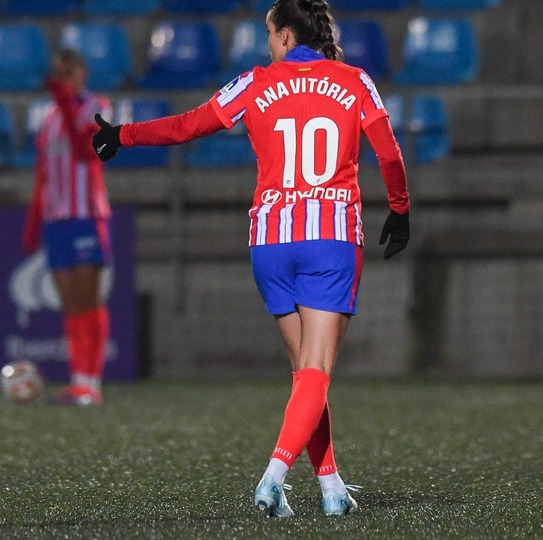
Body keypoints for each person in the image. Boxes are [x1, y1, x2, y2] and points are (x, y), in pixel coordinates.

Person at [92, 0, 410, 518]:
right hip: (329, 238)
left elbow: (188, 126)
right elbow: (390, 152)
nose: (268, 42)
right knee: (316, 371)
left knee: (305, 375)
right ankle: (274, 475)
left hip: (270, 242)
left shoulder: (255, 83)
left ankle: (330, 487)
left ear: (285, 36)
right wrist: (399, 209)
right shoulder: (354, 80)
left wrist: (122, 136)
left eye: (269, 33)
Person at [24, 49, 113, 407]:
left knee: (89, 301)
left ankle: (92, 382)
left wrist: (65, 102)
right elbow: (44, 173)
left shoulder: (96, 106)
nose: (61, 78)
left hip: (85, 215)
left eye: (67, 72)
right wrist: (34, 221)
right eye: (56, 72)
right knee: (71, 305)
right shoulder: (47, 117)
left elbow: (85, 152)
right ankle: (79, 382)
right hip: (56, 219)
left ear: (81, 73)